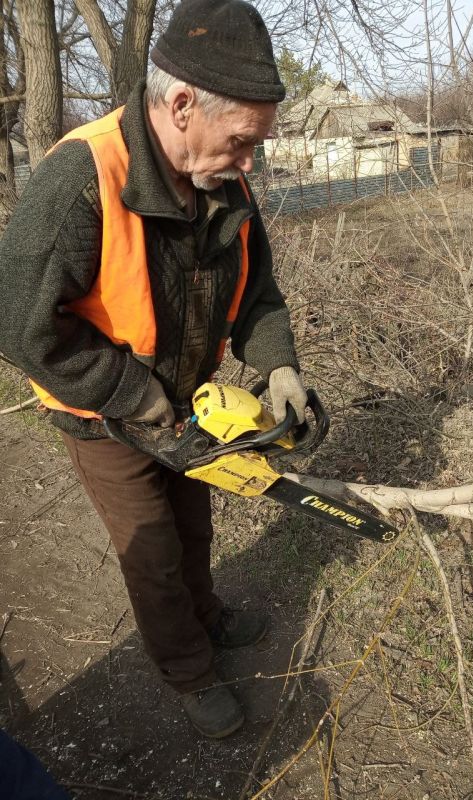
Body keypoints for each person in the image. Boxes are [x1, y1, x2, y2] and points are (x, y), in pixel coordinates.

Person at [0, 0, 307, 739]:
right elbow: (17, 326)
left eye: (253, 146)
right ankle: (188, 670)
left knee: (194, 526)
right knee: (155, 553)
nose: (247, 163)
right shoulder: (80, 177)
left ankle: (207, 619)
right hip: (101, 411)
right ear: (179, 105)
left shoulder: (221, 179)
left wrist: (280, 368)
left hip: (186, 400)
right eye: (240, 142)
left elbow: (256, 289)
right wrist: (135, 397)